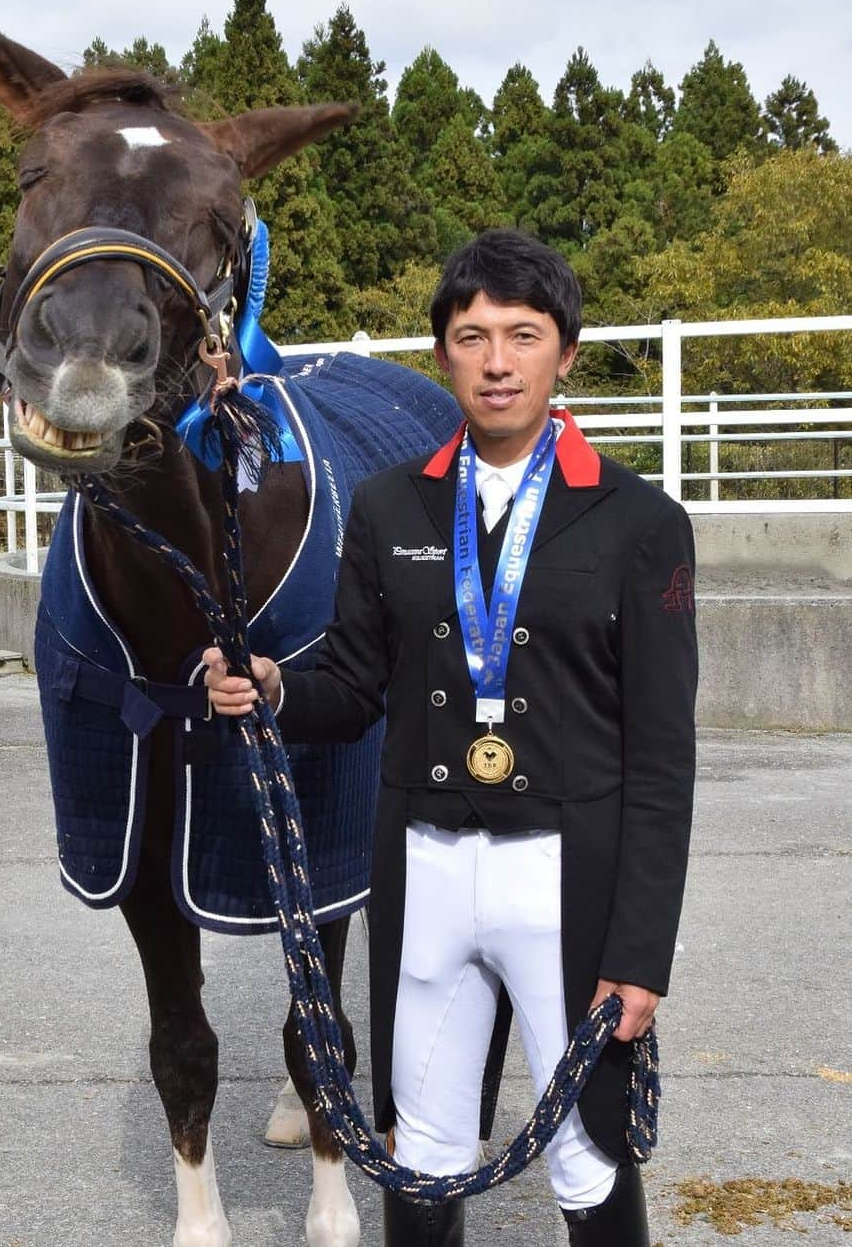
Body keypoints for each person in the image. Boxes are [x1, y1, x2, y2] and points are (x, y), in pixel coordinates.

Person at [204, 229, 697, 1245]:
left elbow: (661, 758)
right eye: (472, 336)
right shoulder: (392, 507)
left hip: (569, 882)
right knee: (422, 1155)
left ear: (566, 352)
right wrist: (273, 686)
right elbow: (350, 683)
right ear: (443, 357)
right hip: (427, 872)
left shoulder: (639, 521)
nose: (498, 359)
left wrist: (641, 953)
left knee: (585, 1156)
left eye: (524, 334)